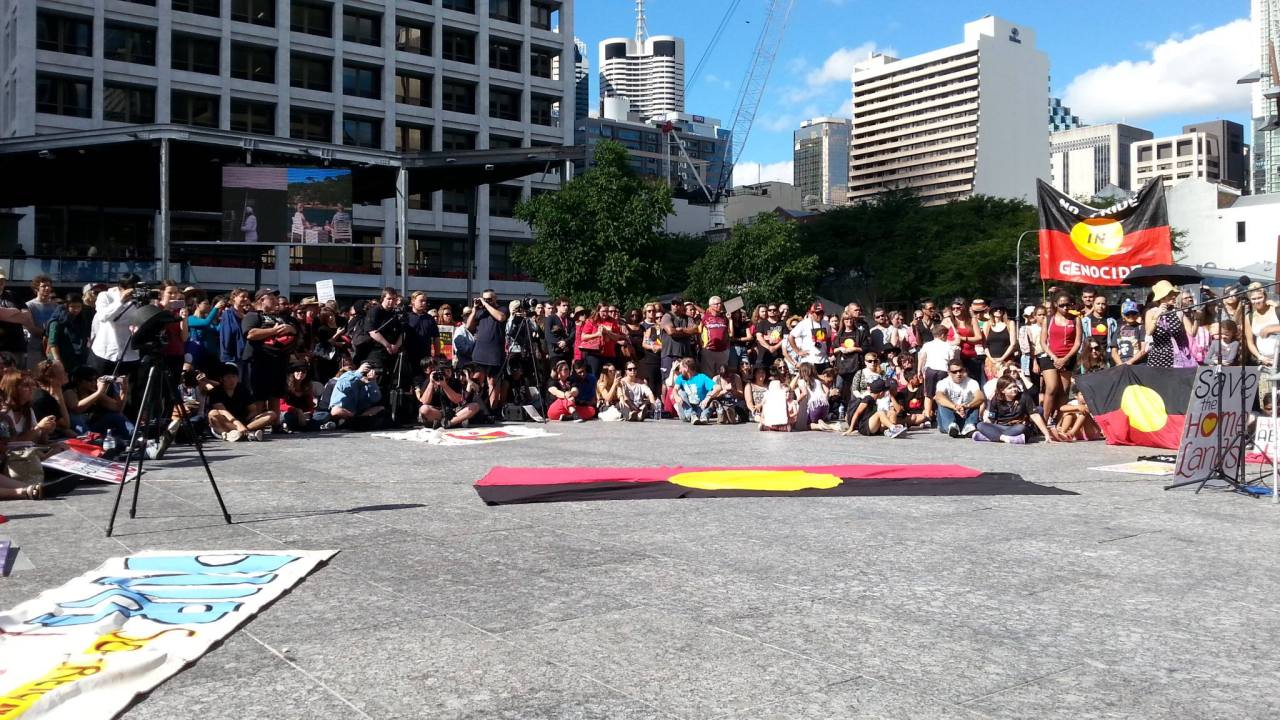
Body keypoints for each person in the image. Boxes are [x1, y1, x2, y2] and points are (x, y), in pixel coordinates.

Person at [239, 288, 295, 419]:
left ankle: (276, 424)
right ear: (262, 300)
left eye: (276, 297)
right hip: (260, 361)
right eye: (272, 297)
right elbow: (251, 334)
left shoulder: (279, 317)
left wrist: (291, 329)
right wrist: (273, 331)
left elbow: (293, 332)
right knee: (260, 395)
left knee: (276, 394)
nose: (276, 300)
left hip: (278, 361)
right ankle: (258, 424)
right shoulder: (253, 315)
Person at [1038, 293, 1080, 423]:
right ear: (1056, 305)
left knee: (1063, 391)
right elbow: (1043, 342)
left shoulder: (1075, 319)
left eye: (1068, 305)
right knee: (1051, 387)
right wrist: (1054, 357)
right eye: (1062, 305)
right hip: (1050, 357)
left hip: (1068, 357)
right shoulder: (1049, 319)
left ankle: (1059, 420)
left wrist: (1065, 358)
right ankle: (1043, 420)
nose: (1065, 308)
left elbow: (1078, 342)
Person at [89, 273, 142, 376]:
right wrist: (121, 300)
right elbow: (103, 317)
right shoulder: (106, 296)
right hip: (105, 351)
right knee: (101, 387)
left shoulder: (140, 299)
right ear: (120, 287)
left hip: (130, 353)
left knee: (127, 389)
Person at [207, 364, 276, 441]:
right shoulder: (216, 391)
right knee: (213, 413)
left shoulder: (242, 389)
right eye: (228, 377)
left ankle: (242, 433)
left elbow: (253, 410)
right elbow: (223, 411)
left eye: (234, 377)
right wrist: (237, 423)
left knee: (271, 414)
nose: (232, 380)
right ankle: (248, 433)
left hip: (244, 422)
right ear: (221, 379)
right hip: (226, 421)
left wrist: (245, 420)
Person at [975, 377, 1048, 444]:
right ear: (1002, 390)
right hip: (1002, 426)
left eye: (1015, 386)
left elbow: (1035, 415)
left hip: (1017, 427)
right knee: (980, 425)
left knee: (1021, 427)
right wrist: (987, 428)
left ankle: (992, 437)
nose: (1014, 389)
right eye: (1010, 388)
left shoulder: (1024, 397)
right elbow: (991, 419)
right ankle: (1007, 438)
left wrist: (1046, 434)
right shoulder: (996, 399)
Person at [1145, 280, 1196, 369]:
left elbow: (1192, 332)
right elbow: (1149, 332)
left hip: (1177, 358)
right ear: (1162, 297)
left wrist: (1198, 319)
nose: (1174, 297)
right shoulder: (1151, 312)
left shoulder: (1178, 312)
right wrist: (1157, 314)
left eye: (1174, 294)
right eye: (1170, 294)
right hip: (1158, 359)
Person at [416, 359, 481, 429]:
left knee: (475, 406)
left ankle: (449, 423)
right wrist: (431, 383)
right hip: (438, 412)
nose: (446, 373)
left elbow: (458, 400)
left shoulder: (455, 381)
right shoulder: (429, 381)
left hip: (454, 412)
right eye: (443, 371)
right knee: (423, 409)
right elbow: (424, 402)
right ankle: (455, 421)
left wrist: (445, 386)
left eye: (448, 370)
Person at [326, 362, 387, 430]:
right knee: (336, 410)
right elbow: (343, 387)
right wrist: (358, 373)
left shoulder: (369, 382)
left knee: (380, 408)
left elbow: (375, 398)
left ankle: (352, 422)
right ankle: (354, 422)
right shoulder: (348, 375)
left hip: (358, 414)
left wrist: (372, 382)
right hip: (344, 411)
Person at [934, 360, 984, 438]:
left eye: (960, 371)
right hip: (947, 417)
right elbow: (938, 397)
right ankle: (951, 426)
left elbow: (980, 397)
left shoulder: (972, 382)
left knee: (975, 402)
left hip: (964, 415)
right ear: (949, 372)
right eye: (954, 372)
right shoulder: (943, 383)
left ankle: (969, 426)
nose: (958, 374)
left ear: (964, 370)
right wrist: (955, 407)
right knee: (942, 401)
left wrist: (967, 406)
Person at [466, 289, 508, 380]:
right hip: (479, 353)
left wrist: (485, 304)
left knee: (492, 381)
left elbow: (500, 317)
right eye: (484, 299)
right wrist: (474, 310)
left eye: (489, 299)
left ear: (495, 298)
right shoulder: (480, 311)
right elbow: (468, 326)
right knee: (475, 379)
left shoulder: (502, 309)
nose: (486, 301)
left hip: (494, 354)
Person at [46, 292, 91, 371]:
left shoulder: (80, 320)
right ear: (66, 306)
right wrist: (58, 362)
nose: (76, 309)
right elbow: (53, 343)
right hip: (61, 359)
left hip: (77, 358)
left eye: (79, 306)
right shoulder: (56, 322)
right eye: (72, 306)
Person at [918, 324, 954, 421]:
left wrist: (919, 370)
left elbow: (921, 357)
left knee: (928, 394)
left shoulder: (927, 345)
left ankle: (927, 416)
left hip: (930, 370)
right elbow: (952, 360)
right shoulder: (948, 346)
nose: (947, 337)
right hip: (943, 371)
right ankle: (942, 417)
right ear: (942, 335)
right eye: (946, 335)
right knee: (942, 394)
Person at [31, 360, 73, 439]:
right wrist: (59, 397)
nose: (66, 374)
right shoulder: (45, 399)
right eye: (62, 372)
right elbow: (66, 424)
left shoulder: (48, 395)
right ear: (51, 378)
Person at [659, 298, 698, 380]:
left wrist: (682, 329)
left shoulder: (687, 318)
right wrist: (687, 332)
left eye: (678, 304)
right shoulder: (667, 316)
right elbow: (671, 332)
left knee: (686, 380)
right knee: (668, 381)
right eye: (673, 304)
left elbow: (695, 330)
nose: (675, 306)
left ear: (682, 306)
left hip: (685, 355)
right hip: (670, 354)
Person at [1244, 282, 1280, 368]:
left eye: (1260, 297)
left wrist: (1271, 328)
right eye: (1253, 299)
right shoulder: (1249, 317)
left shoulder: (1277, 310)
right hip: (1265, 362)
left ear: (1266, 297)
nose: (1257, 301)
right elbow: (1250, 342)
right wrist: (1260, 357)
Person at [788, 302, 831, 371]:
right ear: (812, 313)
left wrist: (828, 351)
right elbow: (790, 337)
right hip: (809, 360)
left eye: (821, 313)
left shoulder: (826, 323)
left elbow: (828, 338)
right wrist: (798, 351)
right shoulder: (804, 323)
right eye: (817, 313)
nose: (819, 315)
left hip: (824, 360)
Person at [672, 357, 716, 425]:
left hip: (700, 407)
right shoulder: (680, 378)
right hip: (686, 411)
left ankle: (703, 417)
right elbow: (675, 389)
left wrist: (708, 398)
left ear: (686, 368)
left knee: (713, 398)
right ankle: (692, 415)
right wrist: (676, 396)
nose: (679, 370)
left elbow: (717, 387)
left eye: (680, 368)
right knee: (681, 392)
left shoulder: (702, 377)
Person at [698, 296, 731, 376]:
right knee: (708, 375)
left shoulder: (724, 318)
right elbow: (698, 332)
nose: (719, 305)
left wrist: (727, 347)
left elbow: (729, 333)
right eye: (717, 304)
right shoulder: (705, 318)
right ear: (711, 306)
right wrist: (702, 346)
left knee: (723, 375)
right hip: (709, 350)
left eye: (720, 303)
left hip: (723, 351)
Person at [983, 305, 1016, 380]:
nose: (998, 310)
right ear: (991, 311)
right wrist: (991, 358)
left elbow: (1013, 344)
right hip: (991, 362)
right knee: (992, 386)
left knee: (1007, 384)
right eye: (995, 309)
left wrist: (1002, 358)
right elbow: (985, 345)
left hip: (1007, 361)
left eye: (1000, 308)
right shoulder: (987, 324)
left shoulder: (1010, 323)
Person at [1110, 300, 1147, 366]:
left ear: (1137, 314)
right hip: (1121, 364)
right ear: (1123, 315)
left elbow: (1143, 350)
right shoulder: (1118, 329)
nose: (1131, 316)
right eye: (1127, 314)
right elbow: (1114, 351)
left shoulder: (1141, 328)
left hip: (1137, 364)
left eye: (1133, 313)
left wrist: (1130, 362)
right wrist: (1120, 363)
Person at [543, 298, 575, 370]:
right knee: (556, 374)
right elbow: (548, 335)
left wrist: (566, 342)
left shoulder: (571, 320)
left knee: (566, 374)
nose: (566, 307)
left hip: (567, 352)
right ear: (557, 306)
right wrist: (559, 344)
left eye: (567, 306)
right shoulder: (551, 318)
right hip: (556, 352)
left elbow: (573, 335)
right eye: (563, 305)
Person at [753, 303, 786, 369]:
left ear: (777, 311)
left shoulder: (782, 323)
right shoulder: (761, 323)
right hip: (763, 356)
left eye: (774, 310)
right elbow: (759, 337)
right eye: (769, 310)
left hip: (778, 356)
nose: (772, 311)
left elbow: (786, 338)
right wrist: (769, 347)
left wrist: (775, 347)